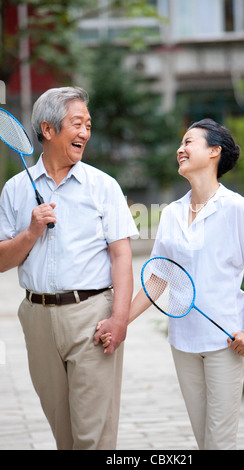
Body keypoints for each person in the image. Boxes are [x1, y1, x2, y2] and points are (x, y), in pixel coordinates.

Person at [99, 118, 244, 450]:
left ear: (214, 152)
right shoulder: (172, 213)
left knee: (219, 442)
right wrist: (121, 322)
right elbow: (160, 279)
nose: (181, 149)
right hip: (183, 342)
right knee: (204, 440)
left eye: (190, 142)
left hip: (226, 343)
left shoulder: (236, 208)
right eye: (181, 143)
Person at [0, 87, 138, 450]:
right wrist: (31, 232)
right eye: (77, 124)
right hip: (36, 318)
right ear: (48, 129)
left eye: (88, 125)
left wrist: (120, 318)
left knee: (93, 437)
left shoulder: (103, 186)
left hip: (92, 316)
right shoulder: (15, 190)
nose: (85, 133)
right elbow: (1, 261)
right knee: (65, 436)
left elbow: (122, 256)